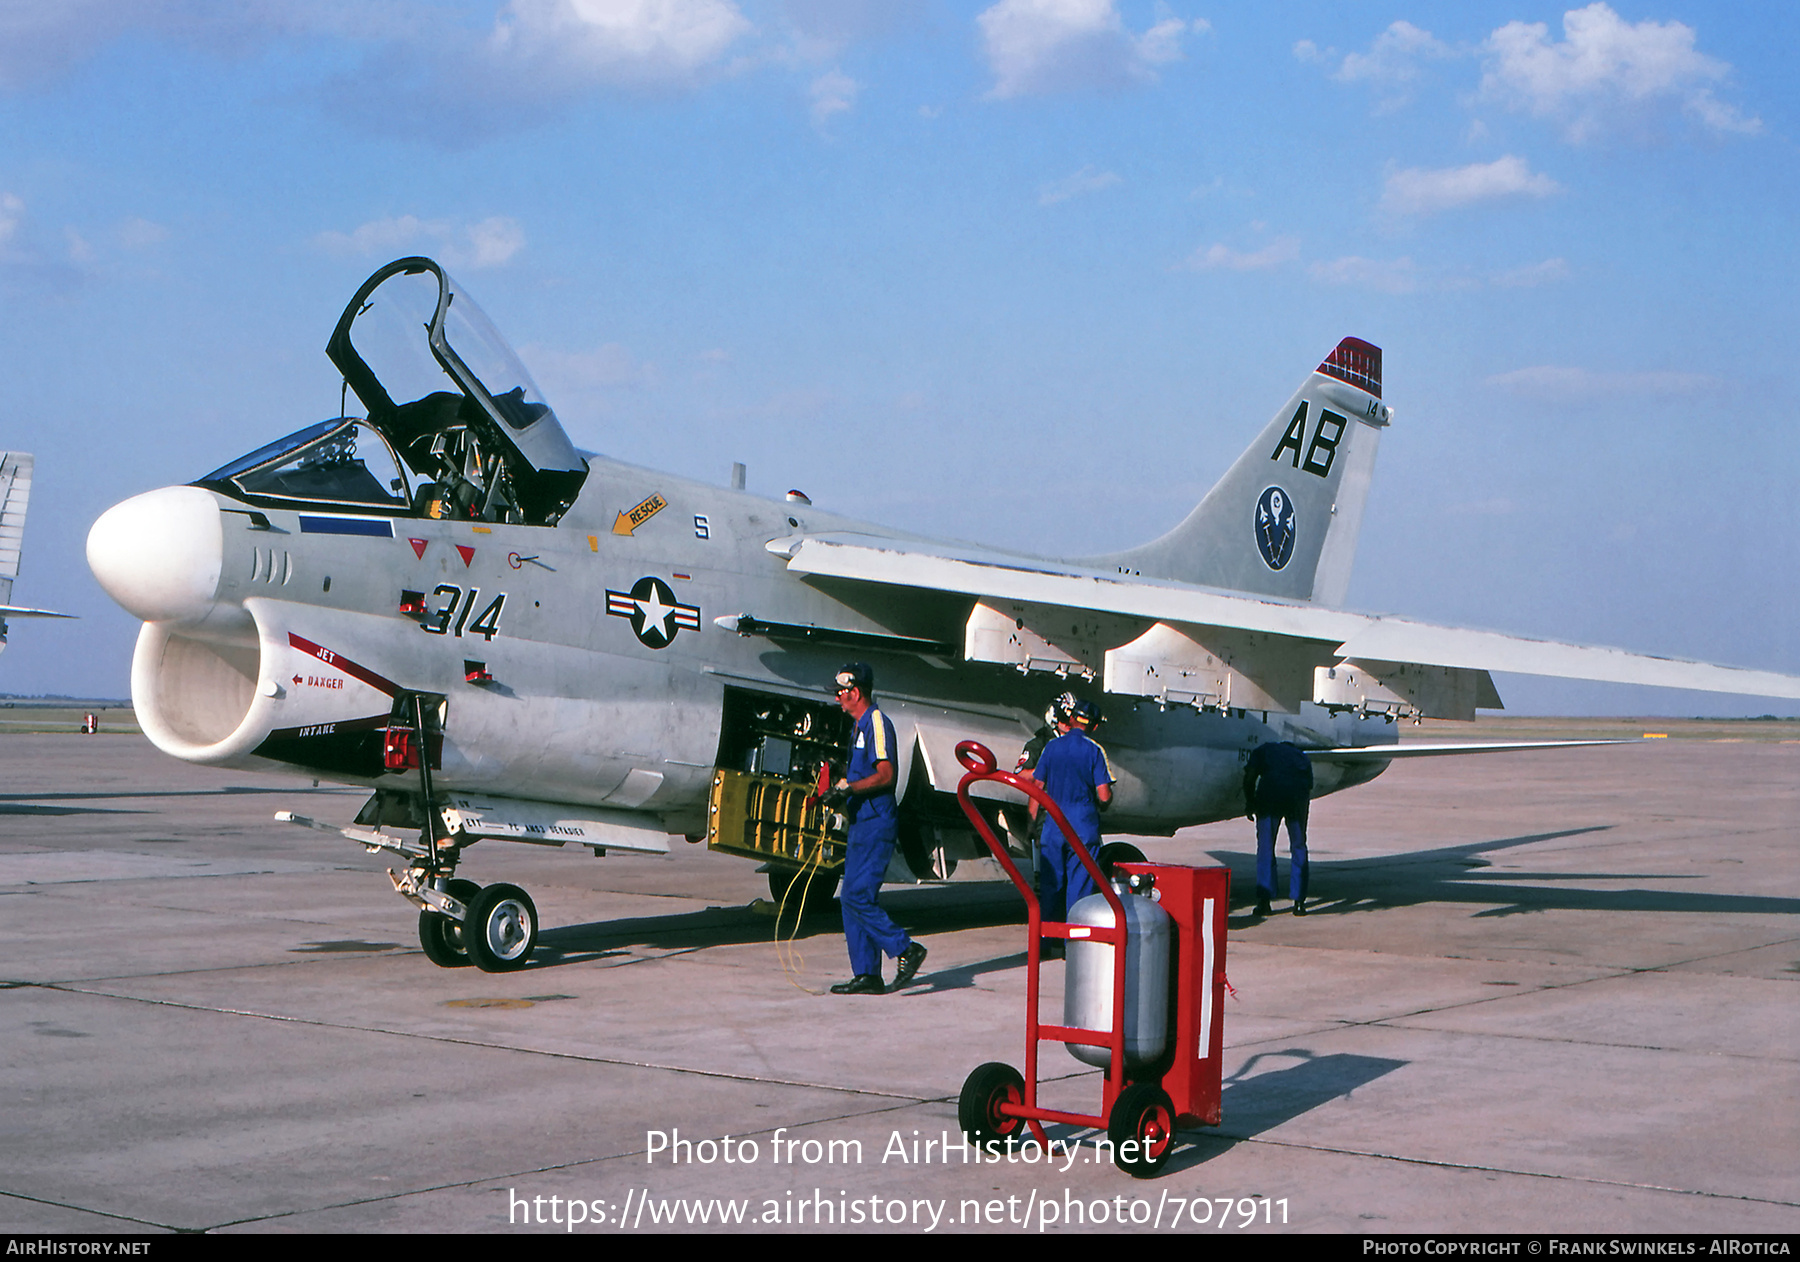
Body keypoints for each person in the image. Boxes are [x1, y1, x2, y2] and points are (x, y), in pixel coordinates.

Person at [825, 663, 927, 996]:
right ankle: (867, 974)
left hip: (876, 823)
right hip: (861, 823)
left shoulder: (876, 723)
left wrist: (849, 789)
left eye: (842, 693)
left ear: (855, 692)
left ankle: (905, 948)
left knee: (857, 895)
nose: (839, 699)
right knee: (850, 899)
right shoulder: (858, 728)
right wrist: (841, 778)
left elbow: (886, 775)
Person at [1031, 698, 1114, 951]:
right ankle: (1073, 946)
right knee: (1079, 889)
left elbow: (1036, 791)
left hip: (1053, 828)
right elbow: (1103, 796)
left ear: (1072, 719)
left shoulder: (1051, 747)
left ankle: (1045, 942)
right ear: (1095, 726)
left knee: (1050, 885)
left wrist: (1032, 825)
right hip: (1082, 827)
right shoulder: (1095, 750)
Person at [1243, 739, 1314, 916]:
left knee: (1266, 848)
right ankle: (1299, 903)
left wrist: (1250, 802)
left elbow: (1250, 777)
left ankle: (1264, 902)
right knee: (1298, 847)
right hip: (1297, 797)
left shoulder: (1264, 750)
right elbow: (1309, 785)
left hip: (1270, 796)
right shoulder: (1301, 755)